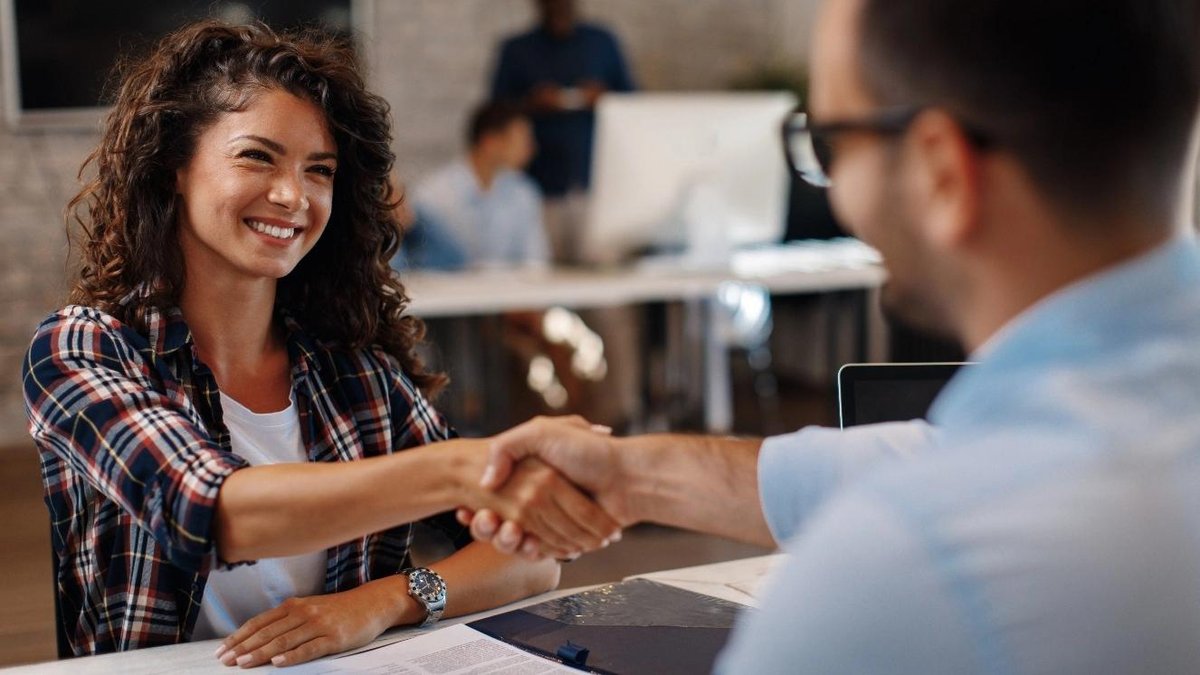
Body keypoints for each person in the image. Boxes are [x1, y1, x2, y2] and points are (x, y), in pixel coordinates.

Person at [466, 0, 1200, 671]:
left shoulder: (903, 568)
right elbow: (911, 456)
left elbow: (925, 495)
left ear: (942, 171)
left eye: (831, 140)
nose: (834, 187)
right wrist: (628, 474)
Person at [20, 21, 618, 665]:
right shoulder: (81, 348)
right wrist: (465, 470)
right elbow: (214, 514)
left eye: (320, 170)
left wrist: (384, 601)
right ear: (174, 168)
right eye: (258, 156)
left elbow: (530, 560)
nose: (293, 195)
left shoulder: (355, 371)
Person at [490, 0, 635, 260]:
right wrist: (531, 102)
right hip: (540, 185)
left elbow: (633, 102)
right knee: (544, 276)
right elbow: (495, 112)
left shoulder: (601, 42)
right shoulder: (517, 49)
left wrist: (605, 97)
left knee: (602, 280)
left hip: (595, 182)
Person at [405, 101, 548, 270]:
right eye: (522, 140)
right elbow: (419, 262)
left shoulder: (524, 193)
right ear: (490, 142)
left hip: (511, 293)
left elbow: (535, 262)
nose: (530, 149)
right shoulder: (433, 194)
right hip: (449, 292)